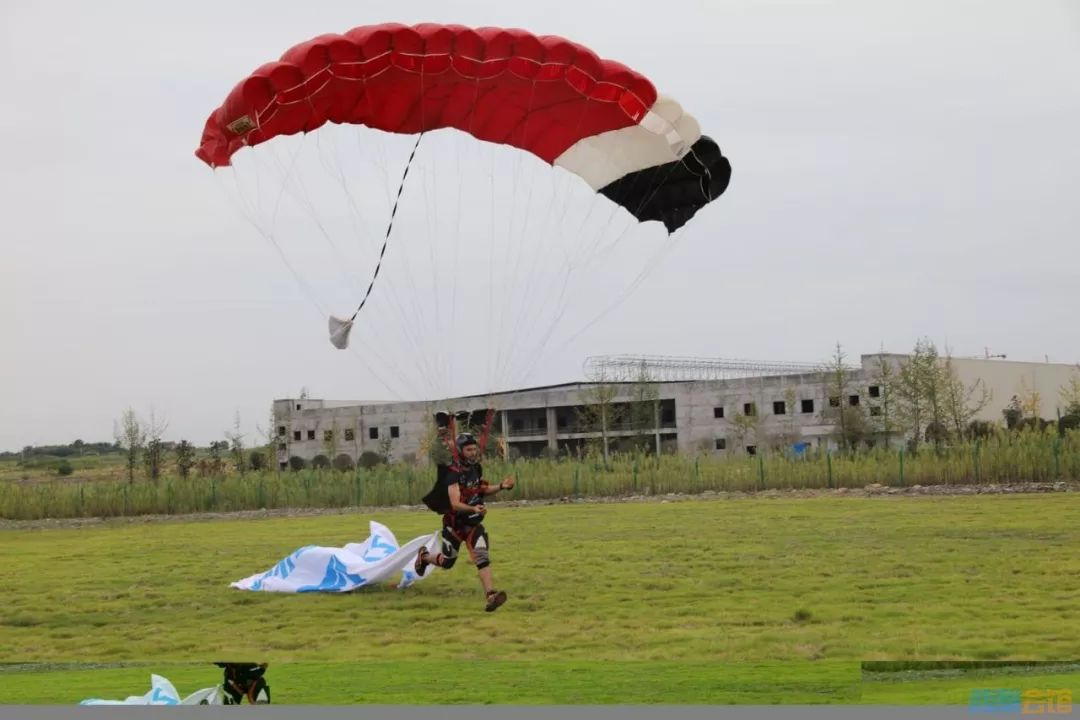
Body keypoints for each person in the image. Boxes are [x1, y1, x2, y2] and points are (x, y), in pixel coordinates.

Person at [417, 423, 515, 612]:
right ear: (461, 452)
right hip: (455, 525)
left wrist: (501, 486)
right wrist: (473, 508)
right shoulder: (452, 474)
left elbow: (481, 490)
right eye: (469, 450)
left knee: (481, 554)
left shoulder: (476, 469)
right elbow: (454, 504)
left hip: (472, 524)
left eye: (474, 449)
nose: (473, 453)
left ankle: (491, 595)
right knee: (447, 562)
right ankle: (425, 557)